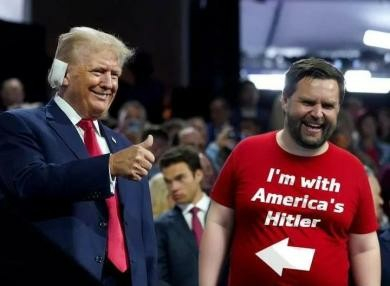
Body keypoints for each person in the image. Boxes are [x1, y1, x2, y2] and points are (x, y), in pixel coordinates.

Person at [199, 58, 380, 286]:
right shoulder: (247, 153)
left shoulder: (352, 169)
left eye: (328, 105)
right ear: (285, 100)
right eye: (307, 102)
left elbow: (364, 247)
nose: (317, 113)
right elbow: (219, 222)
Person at [0, 27, 157, 286]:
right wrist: (108, 166)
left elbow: (144, 238)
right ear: (63, 75)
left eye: (115, 74)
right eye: (98, 71)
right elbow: (29, 182)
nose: (109, 84)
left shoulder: (125, 147)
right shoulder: (18, 125)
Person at [155, 146, 211, 286]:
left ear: (198, 175)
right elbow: (160, 278)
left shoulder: (227, 216)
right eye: (168, 181)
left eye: (180, 178)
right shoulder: (160, 226)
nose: (174, 187)